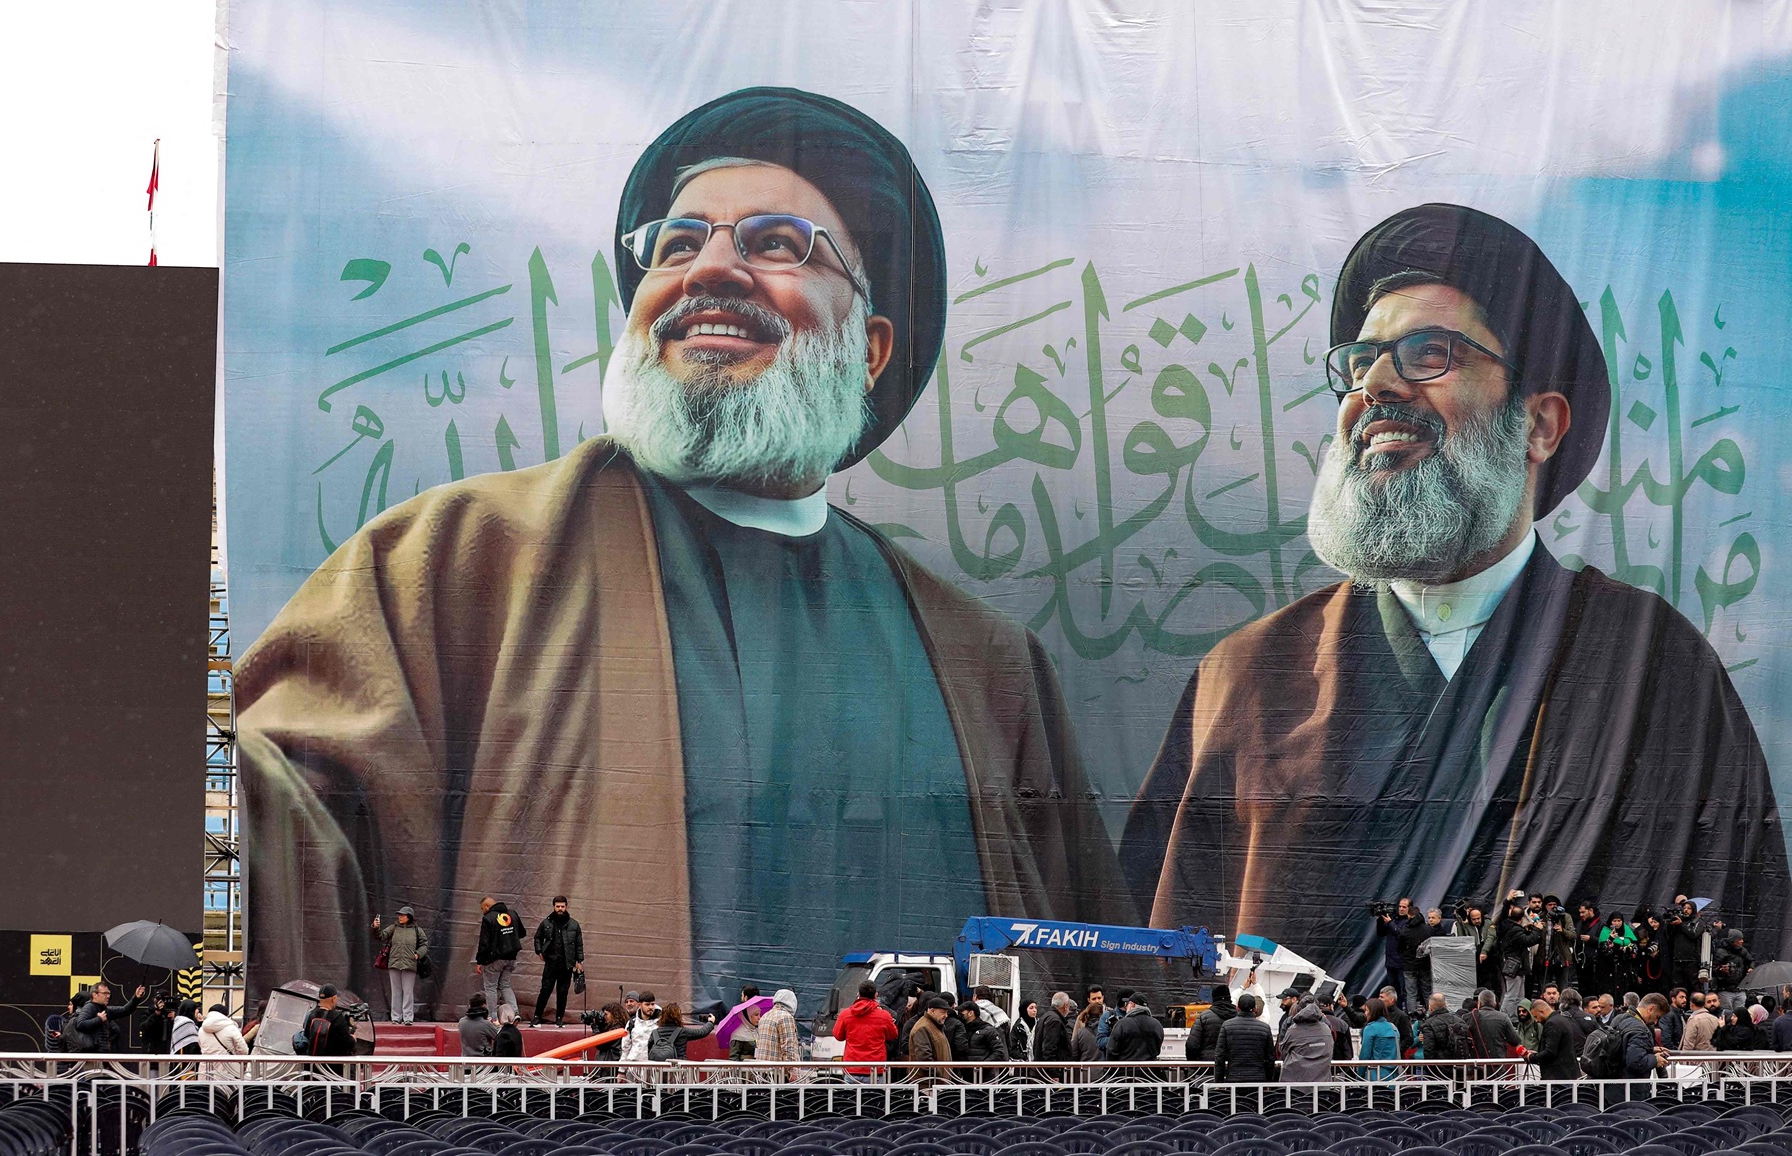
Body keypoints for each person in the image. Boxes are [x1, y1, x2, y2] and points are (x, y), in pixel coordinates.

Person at [239, 87, 1131, 1013]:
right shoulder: (453, 560)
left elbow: (1093, 957)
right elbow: (285, 820)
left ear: (870, 350)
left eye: (776, 243)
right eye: (677, 245)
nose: (710, 271)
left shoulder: (985, 663)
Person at [1125, 204, 1792, 987]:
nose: (1375, 385)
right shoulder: (1244, 676)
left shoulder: (1657, 669)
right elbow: (1163, 965)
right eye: (1359, 363)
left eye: (1427, 352)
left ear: (1539, 426)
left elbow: (1748, 952)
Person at [473, 896, 526, 1023]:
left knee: (491, 987)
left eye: (482, 909)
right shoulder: (512, 914)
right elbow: (522, 933)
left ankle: (493, 1016)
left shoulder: (488, 918)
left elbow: (484, 943)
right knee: (505, 985)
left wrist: (480, 961)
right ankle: (515, 1012)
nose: (483, 911)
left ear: (487, 906)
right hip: (511, 957)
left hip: (495, 958)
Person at [372, 907, 428, 1024]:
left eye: (403, 915)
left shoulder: (417, 930)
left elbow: (424, 944)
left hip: (409, 964)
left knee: (408, 992)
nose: (400, 917)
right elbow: (381, 936)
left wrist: (418, 954)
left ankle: (408, 1018)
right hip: (394, 964)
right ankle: (396, 1018)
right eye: (399, 915)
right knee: (396, 991)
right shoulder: (394, 928)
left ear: (409, 917)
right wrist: (376, 927)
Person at [833, 980, 897, 1080]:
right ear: (876, 995)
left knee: (850, 1096)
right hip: (875, 1070)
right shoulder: (884, 1016)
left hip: (852, 1069)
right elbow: (893, 1035)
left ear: (858, 994)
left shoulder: (845, 1014)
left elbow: (838, 1036)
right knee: (876, 1096)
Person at [63, 983, 144, 1053]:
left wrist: (136, 997)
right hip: (93, 1058)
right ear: (95, 995)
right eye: (105, 993)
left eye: (109, 993)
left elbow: (125, 1010)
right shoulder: (90, 1007)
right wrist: (99, 1019)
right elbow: (80, 1024)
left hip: (102, 1055)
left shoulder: (103, 1009)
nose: (108, 996)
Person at [1495, 900, 1544, 1015]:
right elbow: (1528, 941)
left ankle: (1517, 1016)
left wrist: (1527, 930)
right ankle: (1504, 1016)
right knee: (1512, 995)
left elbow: (1522, 938)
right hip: (1515, 966)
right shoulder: (1515, 930)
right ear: (1521, 918)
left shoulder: (1507, 926)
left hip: (1515, 965)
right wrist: (1537, 929)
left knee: (1520, 996)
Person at [1214, 993, 1276, 1083]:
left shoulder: (1227, 1026)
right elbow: (1270, 1057)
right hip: (1258, 1079)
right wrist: (1269, 1080)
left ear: (1237, 1008)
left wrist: (1219, 1082)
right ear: (1255, 1009)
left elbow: (1219, 1056)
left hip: (1234, 1078)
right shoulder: (1265, 1028)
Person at [296, 985, 358, 1057]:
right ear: (333, 999)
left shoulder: (311, 1015)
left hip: (312, 1063)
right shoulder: (337, 1018)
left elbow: (306, 1036)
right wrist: (353, 1039)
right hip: (331, 1066)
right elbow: (347, 1044)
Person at [904, 992, 952, 1081]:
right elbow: (924, 1059)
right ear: (932, 1011)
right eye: (943, 1012)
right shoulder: (923, 1028)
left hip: (935, 1082)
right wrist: (939, 1074)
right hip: (928, 1084)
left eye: (946, 1012)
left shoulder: (934, 1025)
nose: (946, 1015)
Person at [1527, 998, 1579, 1078]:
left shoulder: (1552, 1023)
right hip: (1567, 1073)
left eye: (1536, 1016)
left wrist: (1531, 1057)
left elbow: (1550, 1052)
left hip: (1558, 1076)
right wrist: (1537, 1053)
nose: (1536, 1021)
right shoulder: (1562, 1019)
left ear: (1542, 1012)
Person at [1621, 993, 1671, 1078]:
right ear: (1651, 1009)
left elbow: (1623, 1049)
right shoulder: (1640, 1030)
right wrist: (1655, 1060)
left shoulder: (1619, 1019)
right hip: (1631, 1086)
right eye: (1657, 1016)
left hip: (1613, 1083)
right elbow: (1635, 1062)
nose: (1655, 1022)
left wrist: (1649, 1049)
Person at [198, 1001, 250, 1080]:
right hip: (228, 1070)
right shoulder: (231, 1028)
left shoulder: (201, 1030)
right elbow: (243, 1050)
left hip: (206, 1071)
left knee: (206, 1091)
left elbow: (200, 1046)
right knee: (226, 1091)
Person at [1463, 988, 1520, 1059]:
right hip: (1498, 1063)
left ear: (1479, 1003)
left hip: (1476, 1063)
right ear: (1495, 1004)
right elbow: (1515, 1040)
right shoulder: (1503, 1017)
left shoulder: (1467, 1017)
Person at [756, 989, 800, 1080]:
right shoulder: (786, 1017)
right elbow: (788, 1047)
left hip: (762, 1072)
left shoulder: (765, 1016)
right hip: (779, 1074)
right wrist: (793, 1070)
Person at [648, 1002, 716, 1060]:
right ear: (678, 1017)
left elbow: (649, 1051)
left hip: (659, 1070)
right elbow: (702, 1032)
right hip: (678, 1070)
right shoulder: (682, 1032)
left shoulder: (654, 1033)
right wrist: (711, 1022)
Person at [1107, 991, 1164, 1060]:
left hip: (1125, 1069)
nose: (1126, 1007)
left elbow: (1111, 1051)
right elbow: (1157, 1049)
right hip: (1150, 1069)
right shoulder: (1157, 1025)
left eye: (1127, 1004)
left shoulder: (1122, 1024)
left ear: (1132, 1004)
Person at [1186, 985, 1236, 1060]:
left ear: (1213, 998)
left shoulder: (1204, 1017)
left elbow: (1192, 1045)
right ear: (1229, 998)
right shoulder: (1239, 1018)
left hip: (1208, 1065)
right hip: (1233, 1066)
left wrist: (1195, 1064)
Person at [955, 1000, 1009, 1068]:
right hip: (966, 1074)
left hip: (984, 1075)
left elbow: (999, 1052)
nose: (960, 1014)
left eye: (962, 1012)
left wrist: (983, 1066)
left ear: (971, 1013)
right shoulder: (962, 1029)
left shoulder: (988, 1030)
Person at [1357, 997, 1401, 1080]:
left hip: (1375, 1074)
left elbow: (1365, 1055)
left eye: (1366, 1010)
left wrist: (1359, 1075)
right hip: (1393, 1075)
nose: (1365, 1014)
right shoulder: (1393, 1027)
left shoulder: (1370, 1028)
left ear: (1372, 1011)